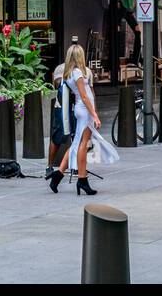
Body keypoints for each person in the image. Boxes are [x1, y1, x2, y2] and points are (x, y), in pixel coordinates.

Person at [48, 44, 118, 196]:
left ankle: (58, 175)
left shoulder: (69, 73)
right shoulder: (78, 72)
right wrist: (95, 115)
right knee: (83, 145)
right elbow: (85, 95)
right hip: (85, 110)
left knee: (76, 143)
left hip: (82, 109)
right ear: (79, 56)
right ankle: (82, 179)